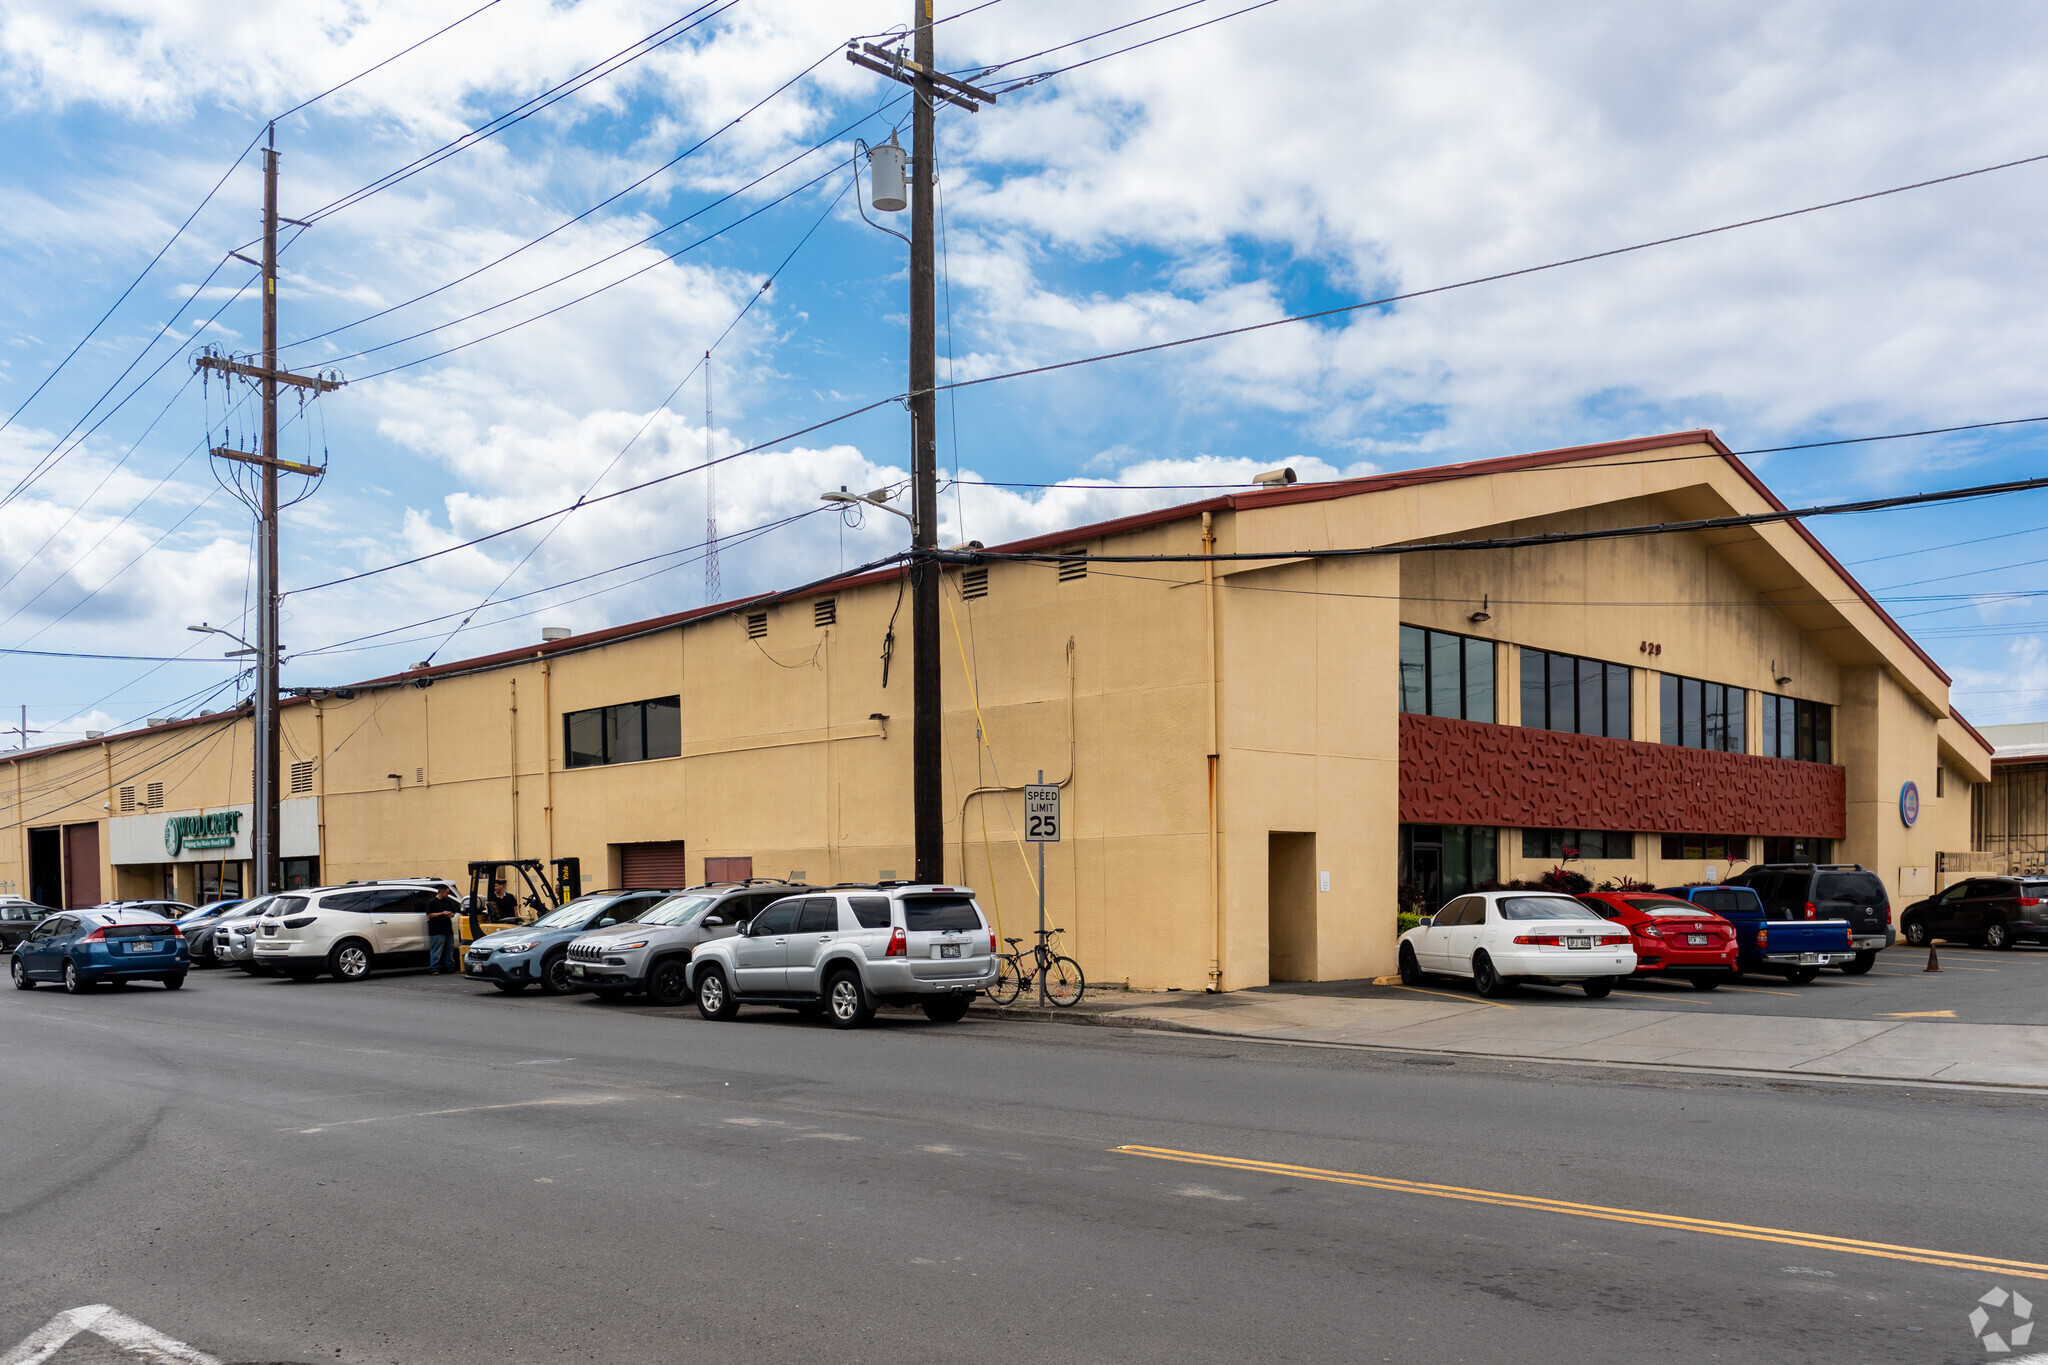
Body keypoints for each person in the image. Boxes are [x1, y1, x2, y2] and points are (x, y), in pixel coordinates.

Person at [426, 885, 459, 974]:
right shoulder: (432, 902)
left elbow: (453, 912)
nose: (448, 894)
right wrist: (442, 913)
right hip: (437, 930)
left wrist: (451, 914)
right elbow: (429, 915)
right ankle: (434, 968)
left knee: (450, 949)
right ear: (441, 891)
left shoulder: (448, 902)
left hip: (448, 929)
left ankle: (450, 967)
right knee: (436, 950)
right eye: (447, 892)